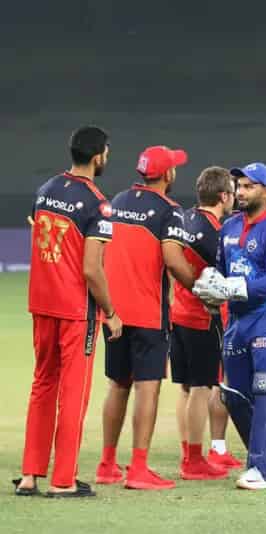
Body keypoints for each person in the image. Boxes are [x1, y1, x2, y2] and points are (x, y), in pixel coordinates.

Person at [15, 126, 121, 498]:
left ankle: (30, 475)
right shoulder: (97, 203)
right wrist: (111, 310)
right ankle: (63, 480)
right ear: (98, 156)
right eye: (106, 152)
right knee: (74, 392)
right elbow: (92, 269)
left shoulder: (45, 190)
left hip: (41, 303)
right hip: (76, 310)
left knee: (43, 384)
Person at [96, 145, 197, 490]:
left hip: (114, 311)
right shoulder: (170, 211)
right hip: (149, 313)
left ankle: (106, 464)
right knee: (147, 386)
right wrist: (199, 288)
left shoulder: (118, 200)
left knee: (117, 384)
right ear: (167, 174)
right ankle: (138, 469)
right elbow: (174, 260)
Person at [193, 161, 266, 490]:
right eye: (239, 186)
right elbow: (220, 271)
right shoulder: (229, 228)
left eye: (249, 186)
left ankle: (260, 470)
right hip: (237, 319)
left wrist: (234, 288)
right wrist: (210, 289)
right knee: (233, 394)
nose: (241, 192)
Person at [170, 167, 235, 480]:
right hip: (203, 318)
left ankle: (188, 452)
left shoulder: (184, 219)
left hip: (178, 314)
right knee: (202, 388)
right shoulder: (216, 234)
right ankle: (194, 461)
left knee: (185, 389)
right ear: (223, 196)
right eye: (232, 193)